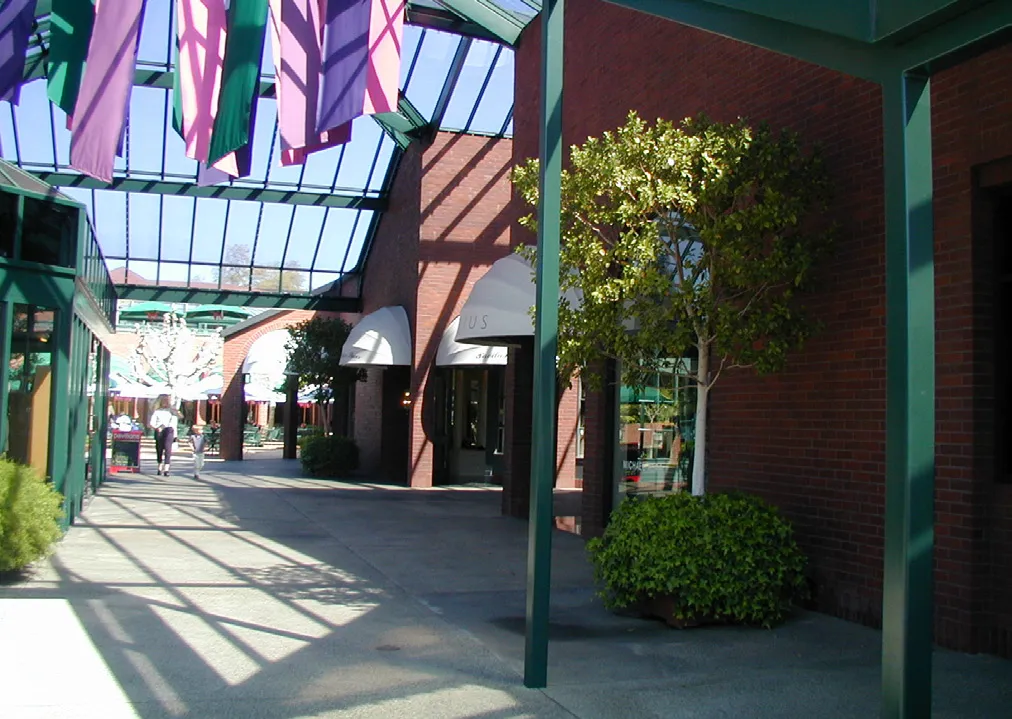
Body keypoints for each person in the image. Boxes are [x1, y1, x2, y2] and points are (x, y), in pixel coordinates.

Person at [148, 396, 181, 476]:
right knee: (159, 449)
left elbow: (181, 416)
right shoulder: (157, 411)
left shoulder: (171, 411)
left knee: (167, 449)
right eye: (164, 401)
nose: (165, 402)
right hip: (159, 430)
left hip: (169, 430)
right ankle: (159, 467)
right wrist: (156, 428)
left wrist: (176, 411)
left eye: (167, 401)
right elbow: (151, 423)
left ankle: (166, 469)